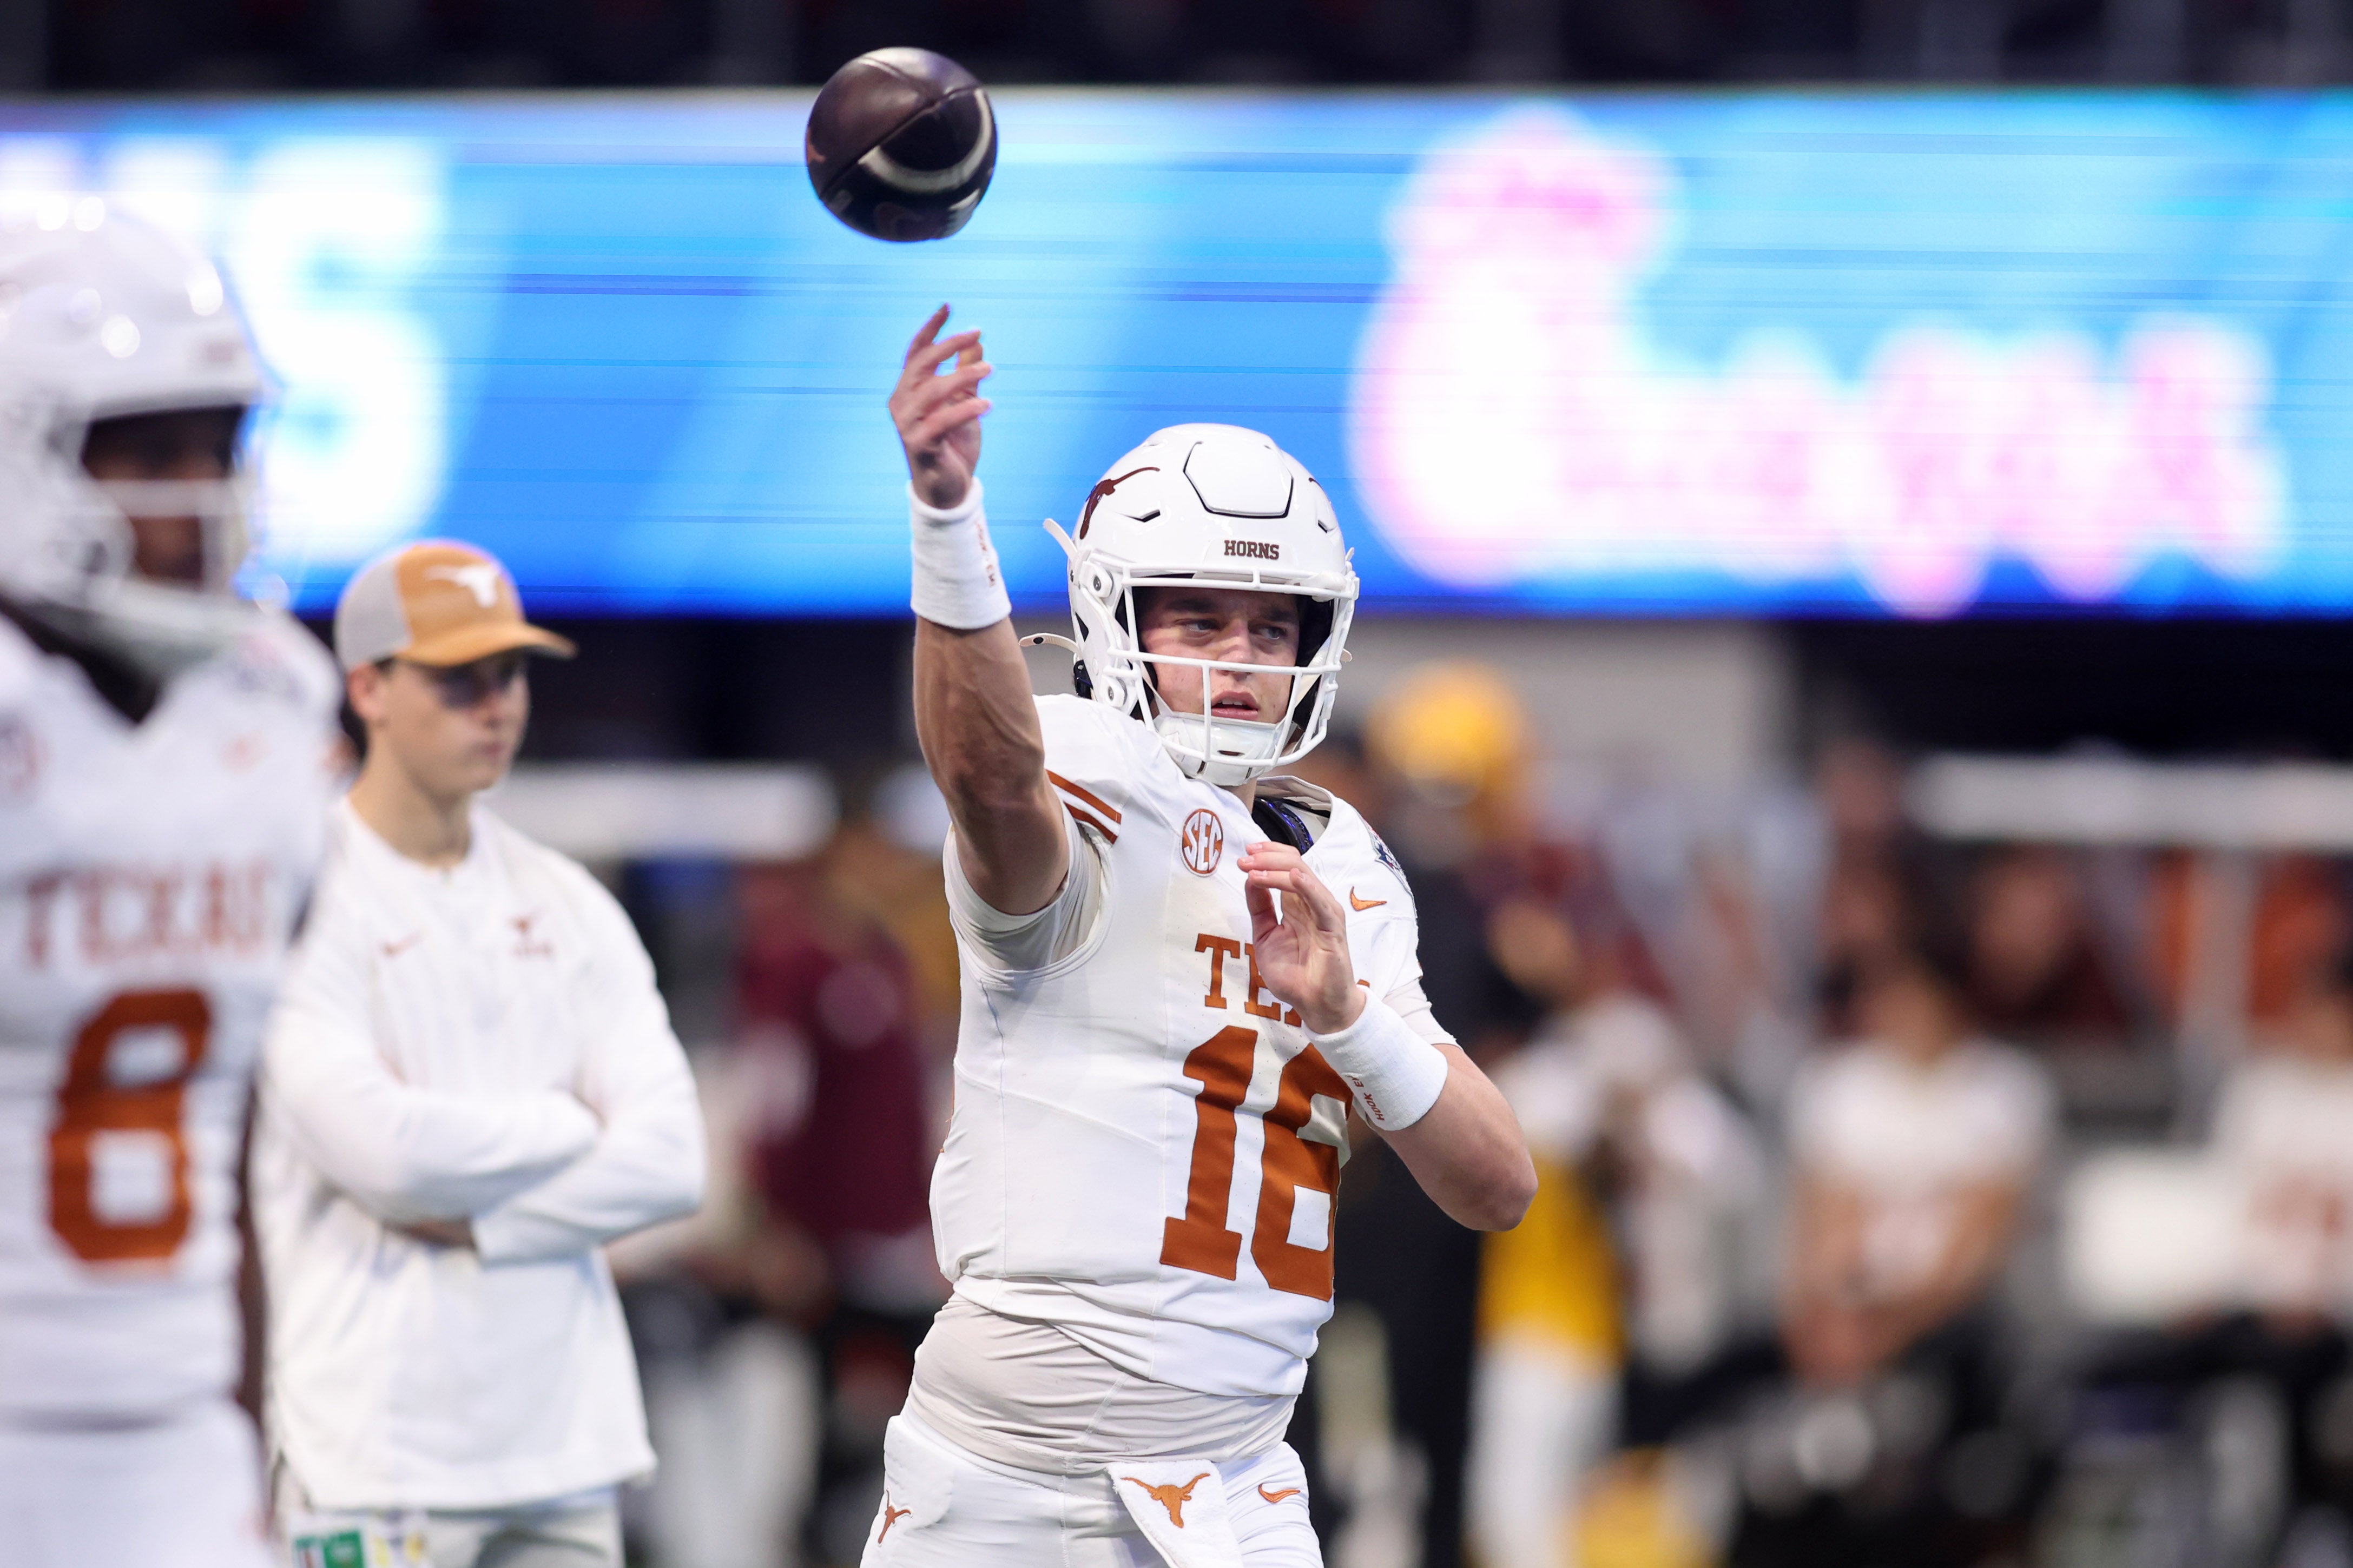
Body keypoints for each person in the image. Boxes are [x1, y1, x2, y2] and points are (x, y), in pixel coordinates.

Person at [868, 304, 1536, 1567]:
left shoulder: (1340, 857)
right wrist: (949, 525)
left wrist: (1351, 1018)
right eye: (1199, 623)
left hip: (1234, 1489)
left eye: (1270, 626)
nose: (1241, 662)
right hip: (1003, 1485)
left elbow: (1496, 1183)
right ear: (1119, 626)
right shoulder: (1081, 775)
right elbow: (991, 778)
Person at [252, 540, 707, 1567]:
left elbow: (674, 1160)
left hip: (563, 1443)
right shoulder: (299, 894)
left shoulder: (569, 902)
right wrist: (570, 1125)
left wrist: (478, 1221)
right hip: (373, 1453)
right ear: (365, 686)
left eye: (509, 676)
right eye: (458, 680)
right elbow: (385, 1157)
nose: (496, 704)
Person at [0, 213, 342, 1566]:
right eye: (148, 452)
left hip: (182, 1430)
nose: (198, 495)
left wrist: (260, 1426)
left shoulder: (272, 711)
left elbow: (249, 1129)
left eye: (218, 448)